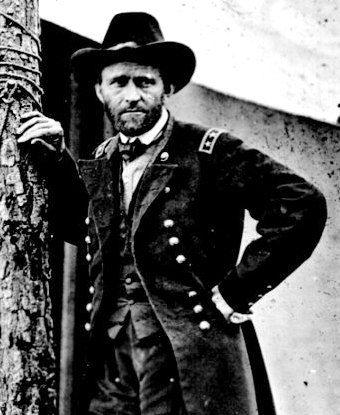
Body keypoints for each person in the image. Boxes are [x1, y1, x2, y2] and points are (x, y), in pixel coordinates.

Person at [17, 12, 327, 415]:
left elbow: (303, 203)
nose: (132, 95)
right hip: (114, 363)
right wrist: (57, 162)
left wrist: (237, 291)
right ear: (99, 90)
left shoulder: (209, 151)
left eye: (144, 82)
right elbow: (87, 229)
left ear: (167, 88)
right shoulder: (103, 159)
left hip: (186, 360)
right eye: (119, 82)